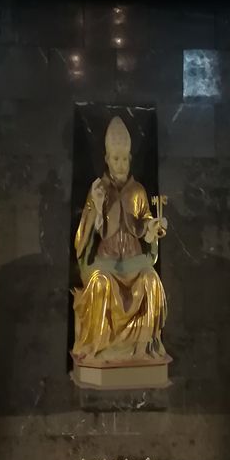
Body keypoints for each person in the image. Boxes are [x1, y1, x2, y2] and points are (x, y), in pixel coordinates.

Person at [72, 116, 168, 364]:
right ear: (107, 159)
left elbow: (145, 219)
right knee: (100, 283)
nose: (121, 164)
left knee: (151, 281)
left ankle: (144, 346)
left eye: (125, 159)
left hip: (134, 259)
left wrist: (153, 227)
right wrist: (97, 206)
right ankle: (100, 348)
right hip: (107, 260)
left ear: (130, 159)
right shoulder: (98, 190)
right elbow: (85, 232)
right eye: (116, 159)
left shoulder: (138, 191)